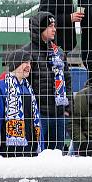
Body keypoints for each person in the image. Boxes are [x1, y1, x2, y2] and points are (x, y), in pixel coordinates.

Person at [25, 12, 71, 152]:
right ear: (39, 28)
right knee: (36, 153)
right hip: (38, 115)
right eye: (50, 26)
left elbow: (67, 80)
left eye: (54, 26)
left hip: (59, 114)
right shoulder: (27, 53)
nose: (54, 29)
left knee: (57, 155)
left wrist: (68, 108)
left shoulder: (60, 53)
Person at [0, 49, 44, 157]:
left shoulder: (29, 89)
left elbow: (37, 123)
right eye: (25, 62)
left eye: (30, 63)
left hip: (30, 152)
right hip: (8, 153)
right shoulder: (0, 87)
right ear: (16, 64)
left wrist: (40, 147)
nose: (29, 66)